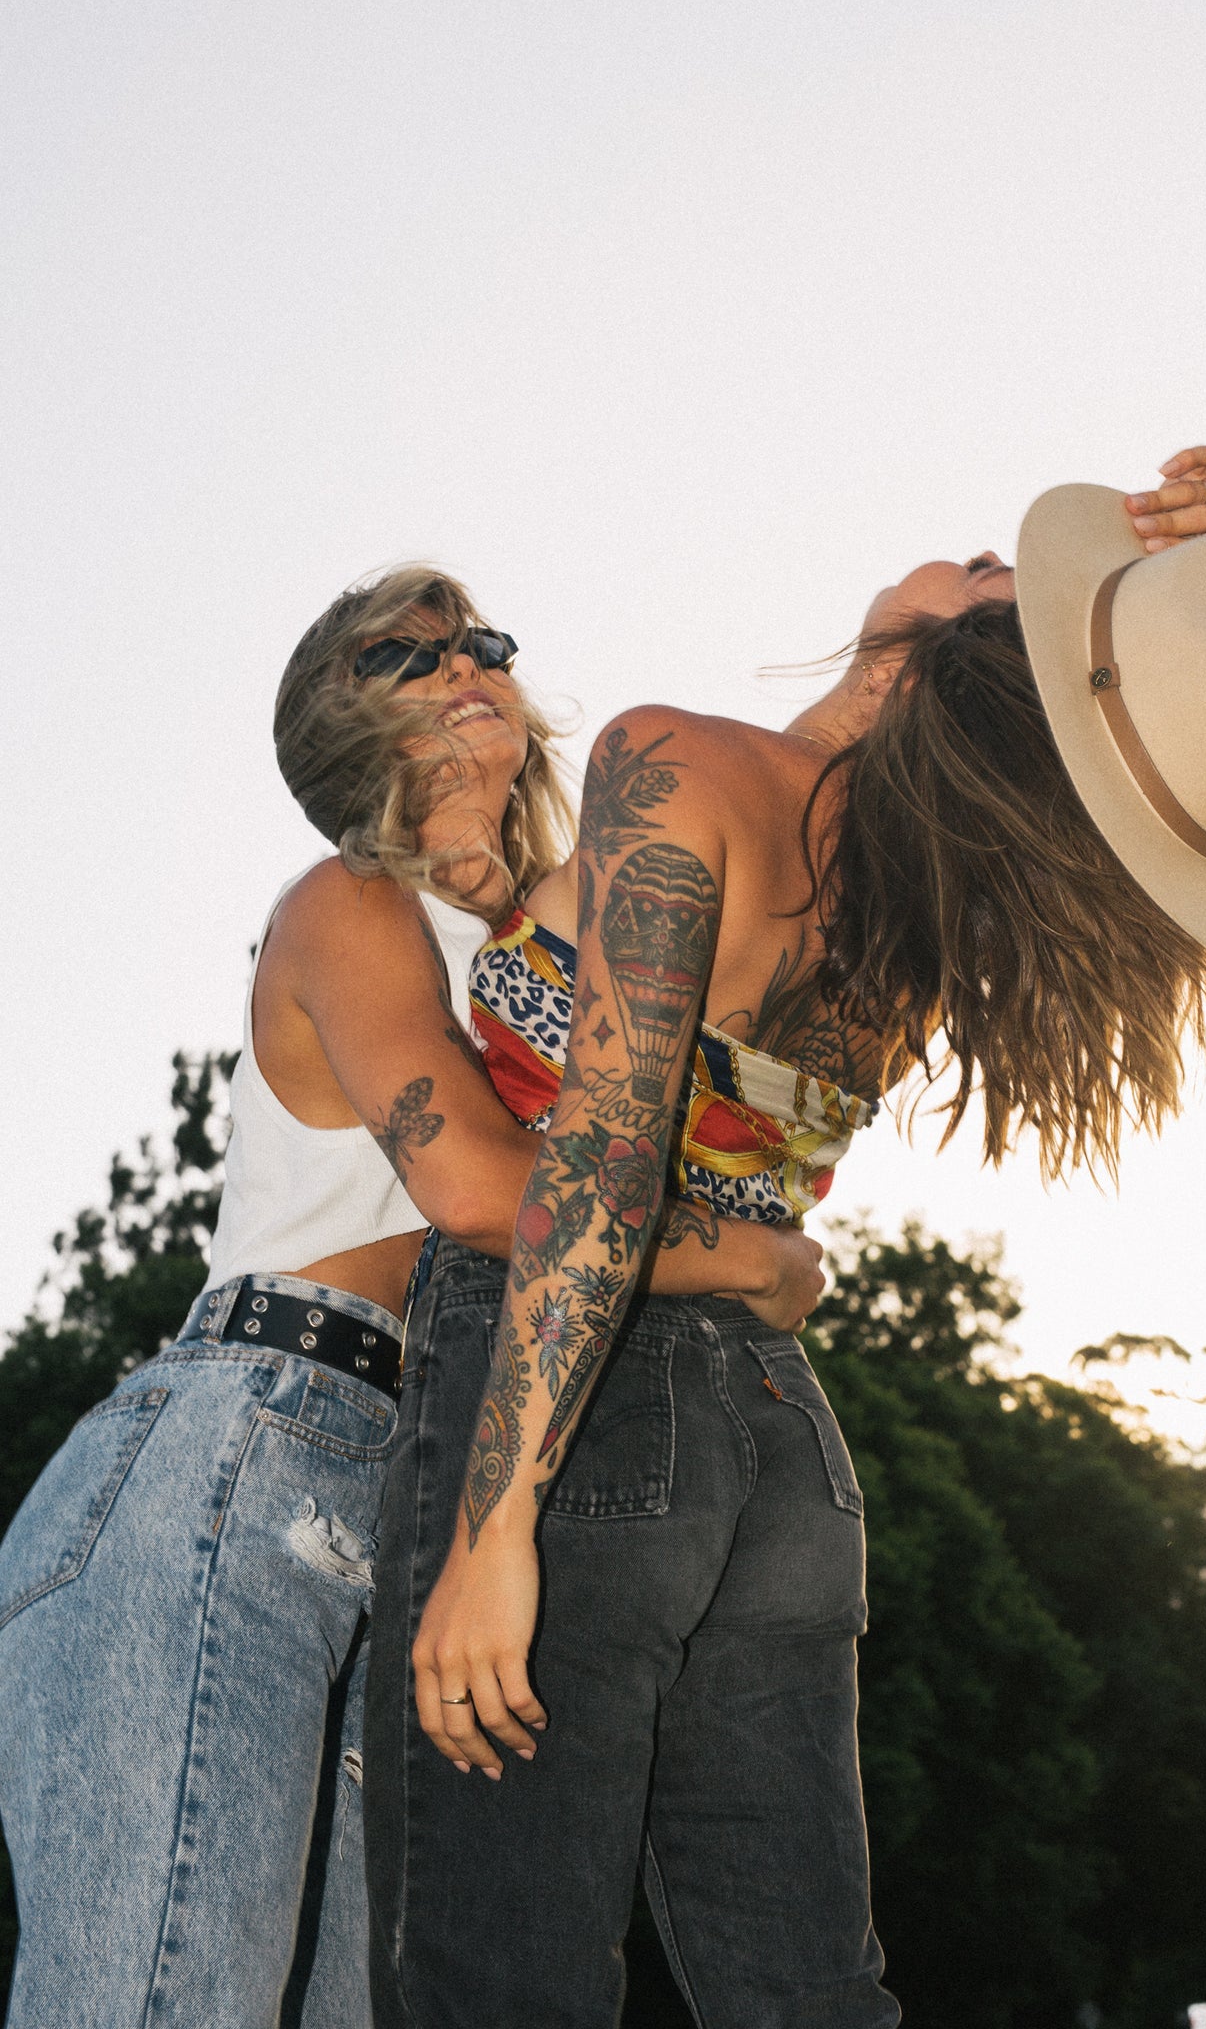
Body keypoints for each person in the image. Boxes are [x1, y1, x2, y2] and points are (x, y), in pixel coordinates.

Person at [370, 449, 1206, 2027]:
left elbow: (605, 1168)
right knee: (806, 1999)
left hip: (581, 1416)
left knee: (499, 1984)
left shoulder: (678, 766)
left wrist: (499, 1529)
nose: (991, 553)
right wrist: (1179, 603)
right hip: (777, 1452)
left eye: (1004, 592)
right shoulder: (906, 940)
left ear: (977, 673)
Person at [0, 566, 820, 2029]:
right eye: (411, 652)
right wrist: (741, 1256)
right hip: (244, 1452)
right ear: (335, 719)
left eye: (485, 645)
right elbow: (488, 1194)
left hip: (433, 1480)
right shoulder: (347, 905)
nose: (468, 667)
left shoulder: (570, 952)